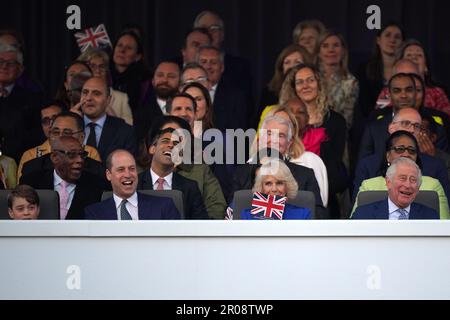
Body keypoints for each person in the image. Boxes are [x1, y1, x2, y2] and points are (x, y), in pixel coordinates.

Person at [280, 63, 347, 218]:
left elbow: (335, 163)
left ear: (319, 84)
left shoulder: (335, 121)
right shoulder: (281, 119)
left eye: (310, 80)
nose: (305, 85)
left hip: (324, 190)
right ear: (293, 88)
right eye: (300, 82)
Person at [353, 131, 449, 219]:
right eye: (400, 149)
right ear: (388, 182)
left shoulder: (431, 215)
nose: (406, 154)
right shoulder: (364, 211)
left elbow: (443, 231)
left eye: (412, 150)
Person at [20, 136, 105, 219]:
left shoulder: (95, 185)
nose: (80, 160)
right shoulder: (31, 182)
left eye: (82, 155)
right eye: (72, 155)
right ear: (55, 158)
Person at [85, 150, 180, 220]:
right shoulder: (94, 213)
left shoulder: (164, 207)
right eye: (121, 169)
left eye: (132, 168)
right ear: (109, 175)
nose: (128, 175)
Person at [137, 127, 208, 219]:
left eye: (176, 144)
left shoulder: (190, 187)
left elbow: (200, 224)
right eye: (165, 141)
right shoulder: (135, 183)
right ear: (152, 149)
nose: (171, 145)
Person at [19, 112, 103, 181]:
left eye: (67, 133)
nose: (60, 138)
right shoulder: (32, 169)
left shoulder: (97, 171)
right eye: (55, 133)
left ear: (81, 138)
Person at [352, 157, 439, 219]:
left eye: (413, 180)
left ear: (418, 188)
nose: (407, 185)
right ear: (388, 182)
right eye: (402, 178)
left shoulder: (430, 216)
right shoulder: (363, 214)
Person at [227, 158, 311, 220]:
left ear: (287, 187)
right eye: (268, 183)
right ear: (261, 187)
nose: (274, 189)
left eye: (279, 183)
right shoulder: (246, 216)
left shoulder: (302, 215)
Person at [80, 76, 137, 161]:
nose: (88, 98)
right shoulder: (70, 126)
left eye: (96, 94)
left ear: (108, 100)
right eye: (85, 92)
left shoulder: (125, 132)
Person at [78, 48, 133, 125]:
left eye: (101, 66)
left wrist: (111, 113)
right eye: (93, 66)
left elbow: (130, 130)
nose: (98, 70)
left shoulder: (121, 98)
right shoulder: (77, 95)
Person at [258, 44, 312, 111]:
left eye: (297, 62)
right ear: (281, 68)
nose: (291, 66)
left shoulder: (311, 89)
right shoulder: (270, 92)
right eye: (287, 62)